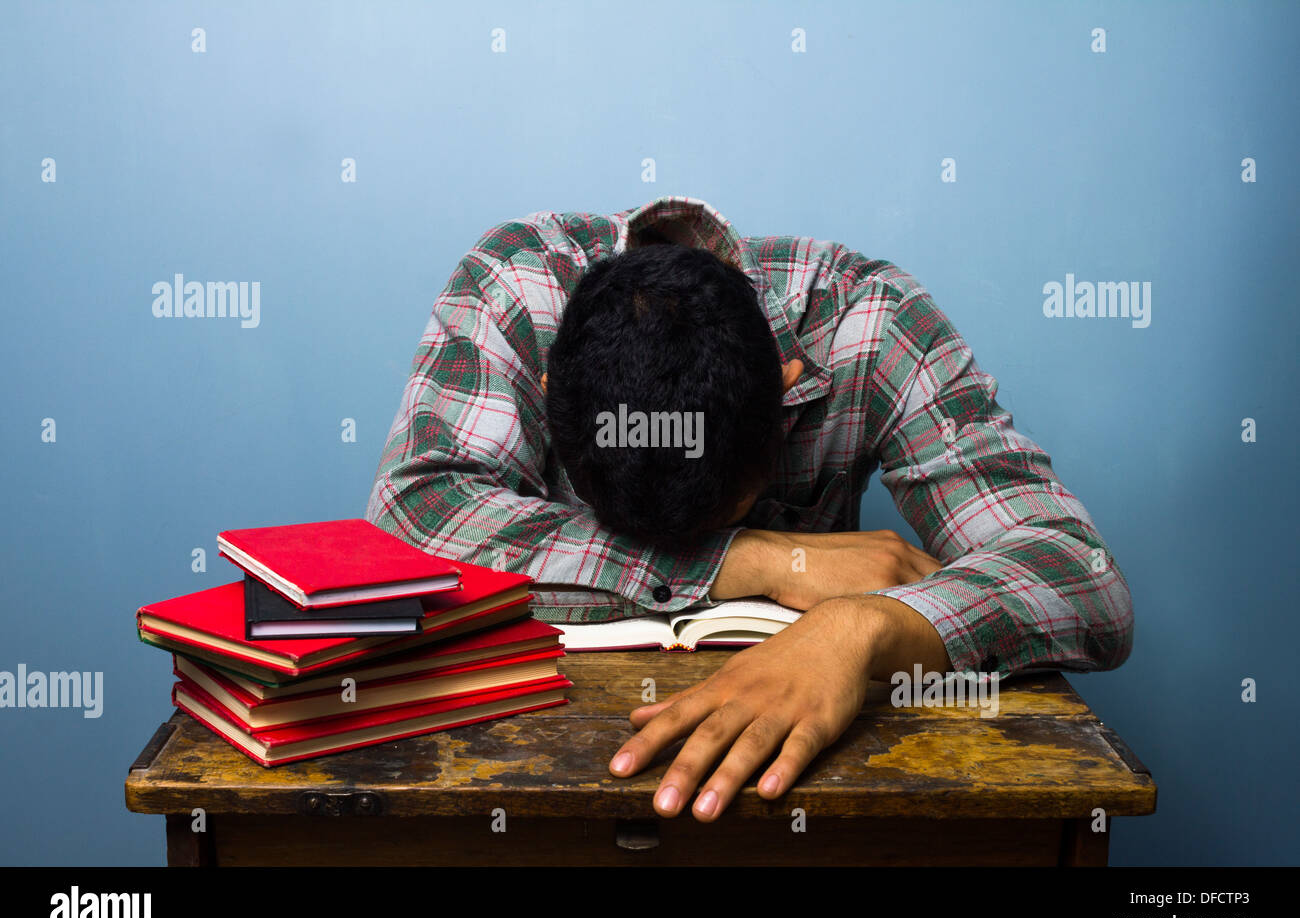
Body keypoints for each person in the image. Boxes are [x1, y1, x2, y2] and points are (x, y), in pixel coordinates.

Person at [365, 195, 1134, 823]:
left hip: (798, 803)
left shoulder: (870, 320)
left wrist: (864, 628)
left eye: (717, 521)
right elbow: (413, 518)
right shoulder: (516, 285)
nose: (688, 546)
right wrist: (751, 559)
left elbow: (1081, 574)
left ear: (790, 392)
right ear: (547, 398)